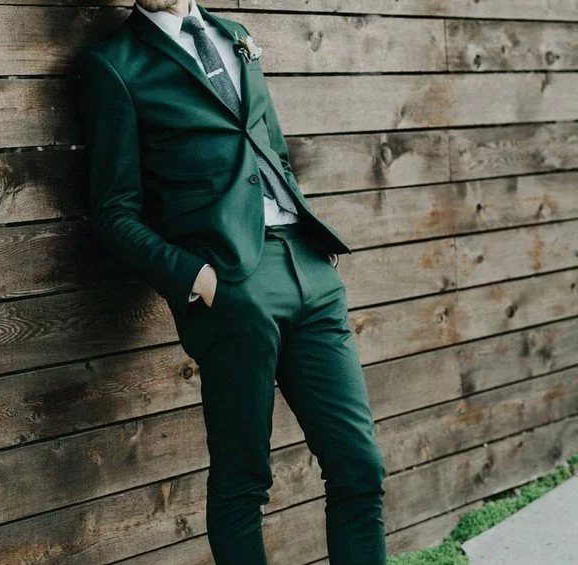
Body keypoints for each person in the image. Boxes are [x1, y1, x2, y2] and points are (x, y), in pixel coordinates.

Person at [77, 1, 387, 563]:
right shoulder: (116, 65)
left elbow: (272, 149)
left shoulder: (236, 35)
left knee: (359, 467)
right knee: (243, 482)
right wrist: (195, 277)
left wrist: (307, 233)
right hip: (232, 288)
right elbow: (115, 212)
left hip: (309, 269)